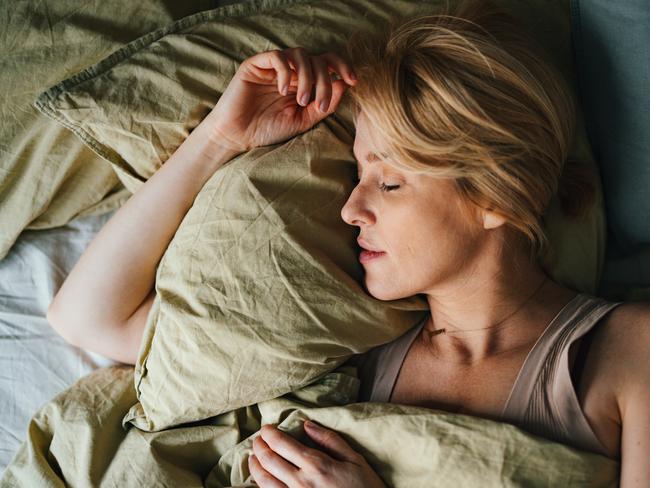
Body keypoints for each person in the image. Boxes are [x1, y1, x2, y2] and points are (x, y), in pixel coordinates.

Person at [46, 0, 649, 486]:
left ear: (494, 196)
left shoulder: (630, 352)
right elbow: (87, 317)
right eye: (357, 174)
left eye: (388, 181)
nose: (350, 208)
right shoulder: (350, 342)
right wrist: (220, 138)